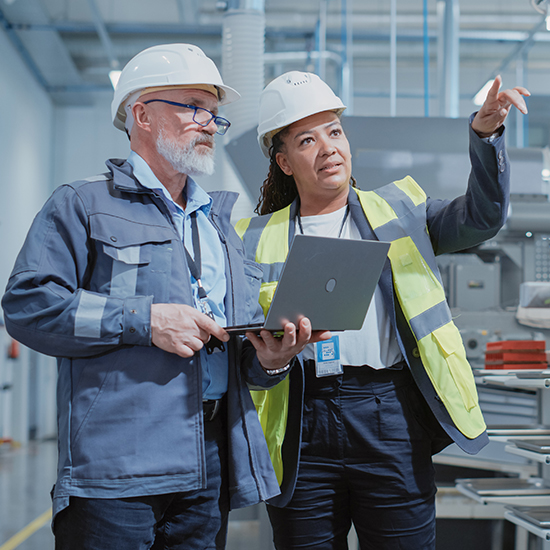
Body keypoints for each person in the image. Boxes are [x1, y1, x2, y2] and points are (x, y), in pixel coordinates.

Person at [1, 45, 323, 550]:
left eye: (212, 112)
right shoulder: (84, 205)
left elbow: (236, 354)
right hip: (117, 471)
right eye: (194, 106)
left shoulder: (218, 226)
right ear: (142, 115)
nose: (210, 123)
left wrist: (274, 360)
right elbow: (28, 305)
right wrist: (144, 320)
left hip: (209, 466)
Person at [235, 71, 530, 549]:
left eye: (335, 131)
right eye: (308, 139)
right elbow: (242, 356)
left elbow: (482, 217)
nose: (329, 147)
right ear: (284, 162)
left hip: (388, 415)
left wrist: (486, 136)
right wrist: (273, 361)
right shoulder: (252, 237)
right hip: (301, 421)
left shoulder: (401, 210)